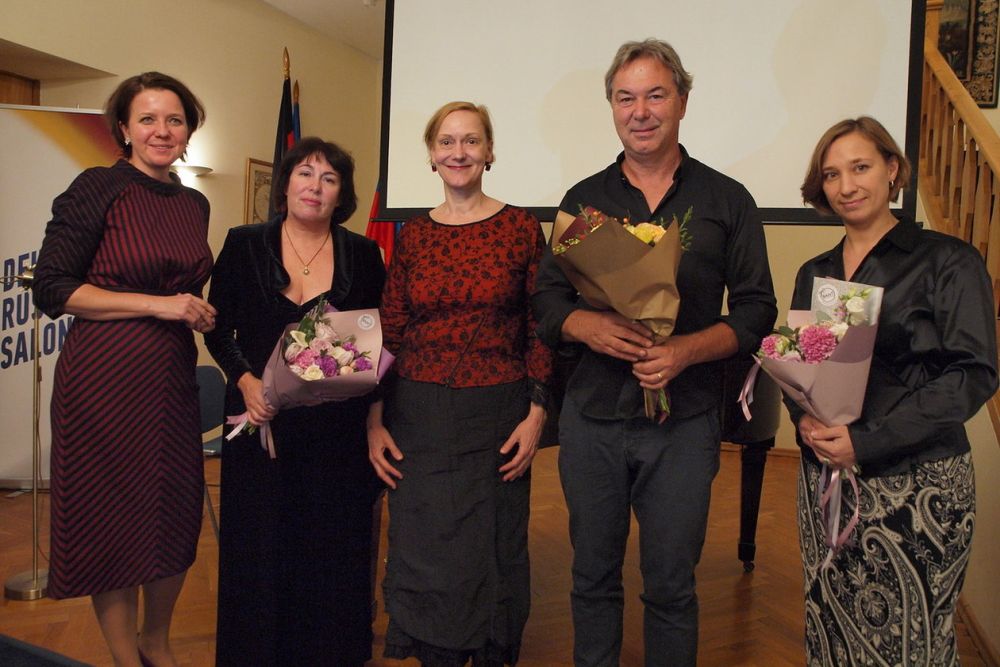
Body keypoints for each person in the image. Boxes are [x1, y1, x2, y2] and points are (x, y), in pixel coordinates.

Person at [531, 40, 777, 666]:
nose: (640, 111)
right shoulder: (582, 201)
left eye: (655, 95)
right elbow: (547, 304)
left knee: (671, 585)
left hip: (685, 421)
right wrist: (588, 326)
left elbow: (756, 311)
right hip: (592, 418)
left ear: (683, 102)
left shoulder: (728, 199)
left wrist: (687, 350)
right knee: (591, 578)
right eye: (625, 98)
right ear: (612, 108)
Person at [791, 116, 997, 665]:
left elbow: (972, 373)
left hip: (918, 484)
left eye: (860, 167)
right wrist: (802, 417)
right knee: (829, 626)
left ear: (892, 169)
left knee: (912, 642)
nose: (847, 185)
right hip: (826, 479)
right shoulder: (815, 272)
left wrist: (868, 441)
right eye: (832, 174)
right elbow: (801, 366)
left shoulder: (947, 260)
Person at [31, 72, 215, 667]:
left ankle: (155, 642)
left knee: (174, 514)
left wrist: (195, 310)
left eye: (174, 119)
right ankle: (123, 657)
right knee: (112, 519)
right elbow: (53, 287)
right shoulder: (98, 186)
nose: (162, 130)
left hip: (170, 378)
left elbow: (184, 290)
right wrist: (160, 305)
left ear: (188, 130)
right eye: (148, 119)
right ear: (124, 129)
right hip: (102, 381)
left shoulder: (193, 202)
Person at [367, 101, 554, 665]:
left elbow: (541, 326)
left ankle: (492, 650)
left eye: (471, 141)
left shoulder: (521, 228)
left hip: (498, 413)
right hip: (417, 415)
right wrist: (374, 419)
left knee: (494, 544)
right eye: (446, 142)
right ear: (431, 154)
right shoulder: (415, 235)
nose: (458, 152)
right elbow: (392, 327)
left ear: (489, 151)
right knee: (426, 543)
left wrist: (538, 412)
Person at [204, 137, 385, 666]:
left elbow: (374, 341)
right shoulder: (244, 243)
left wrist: (374, 419)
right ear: (285, 185)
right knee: (259, 547)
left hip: (337, 432)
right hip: (260, 422)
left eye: (329, 179)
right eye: (305, 174)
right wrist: (245, 380)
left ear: (341, 195)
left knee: (331, 549)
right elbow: (218, 329)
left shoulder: (363, 254)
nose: (315, 186)